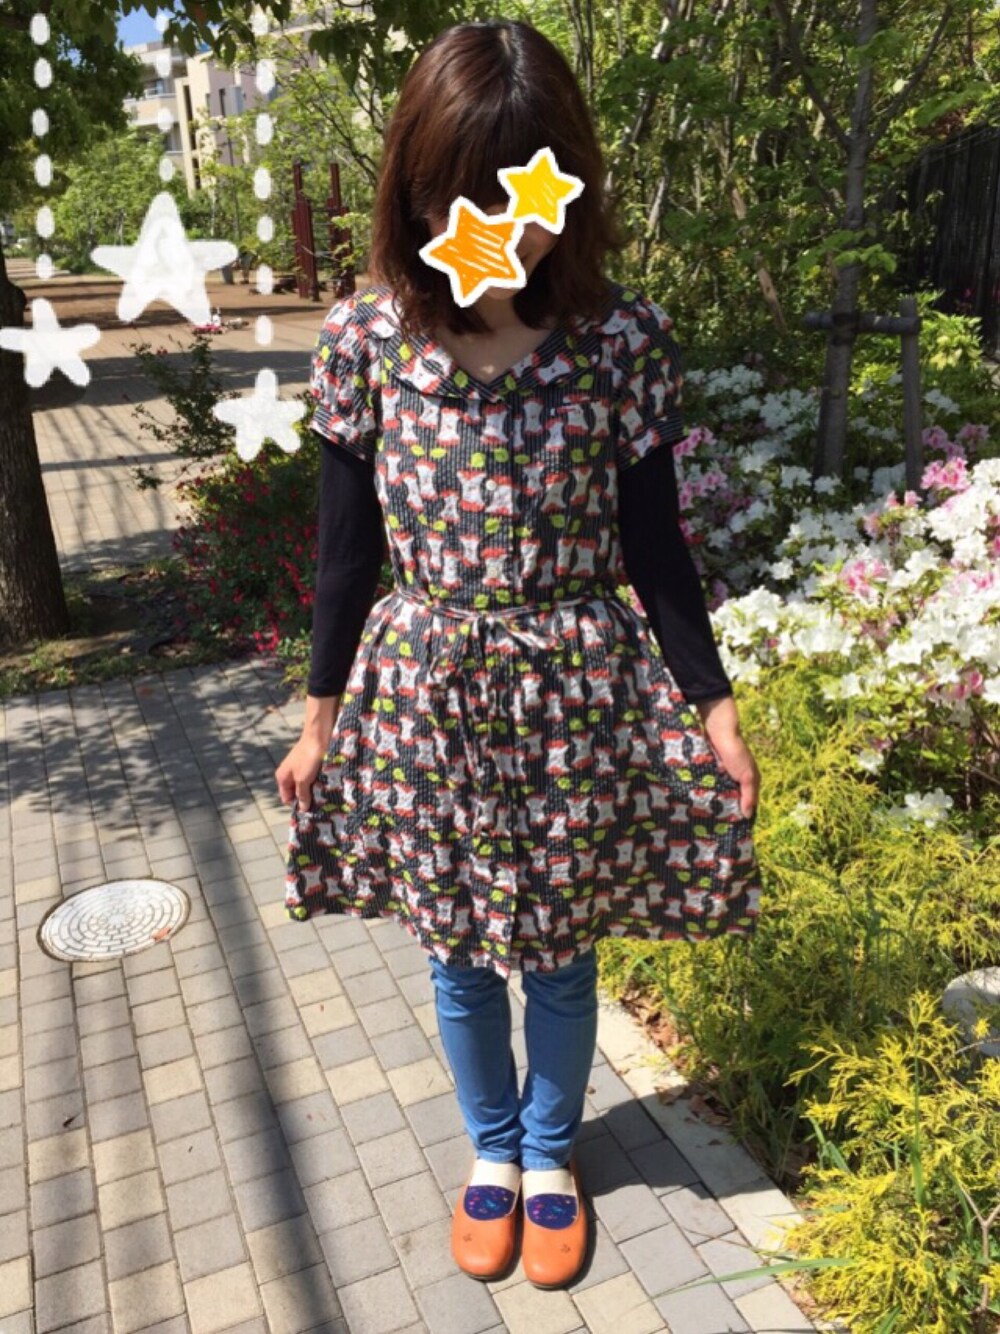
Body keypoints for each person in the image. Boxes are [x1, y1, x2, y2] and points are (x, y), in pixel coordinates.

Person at [275, 17, 763, 1291]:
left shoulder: (618, 341)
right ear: (418, 191)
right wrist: (319, 718)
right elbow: (345, 551)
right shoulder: (366, 340)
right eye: (468, 196)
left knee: (556, 946)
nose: (501, 227)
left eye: (526, 196)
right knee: (454, 946)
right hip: (426, 689)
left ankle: (550, 1154)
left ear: (570, 189)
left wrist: (711, 705)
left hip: (574, 692)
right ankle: (488, 1145)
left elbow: (656, 547)